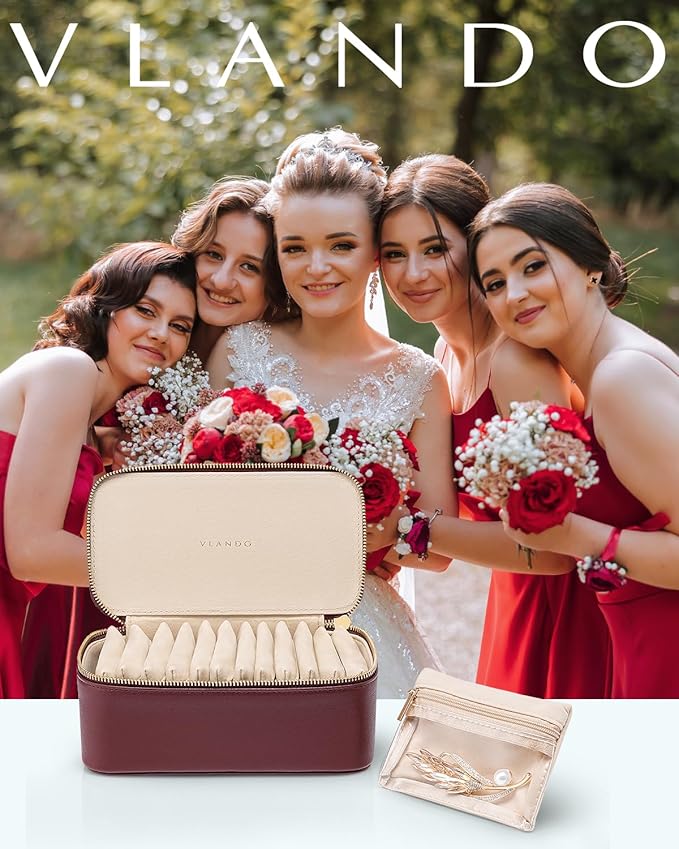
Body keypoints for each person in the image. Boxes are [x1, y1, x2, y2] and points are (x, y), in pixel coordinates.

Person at [207, 130, 457, 697]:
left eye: (341, 246)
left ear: (375, 252)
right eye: (295, 248)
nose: (316, 268)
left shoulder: (418, 379)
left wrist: (373, 535)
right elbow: (196, 497)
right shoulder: (239, 350)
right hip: (236, 620)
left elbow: (439, 548)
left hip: (359, 624)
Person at [22, 177, 281, 698]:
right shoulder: (88, 367)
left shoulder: (268, 372)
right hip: (68, 586)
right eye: (214, 255)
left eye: (250, 266)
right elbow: (33, 537)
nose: (222, 279)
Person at [376, 155, 611, 698]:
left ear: (477, 244)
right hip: (518, 594)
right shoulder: (444, 357)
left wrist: (404, 529)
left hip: (572, 607)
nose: (413, 274)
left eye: (435, 249)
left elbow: (554, 547)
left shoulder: (516, 360)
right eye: (394, 254)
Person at [467, 182, 679, 697]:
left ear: (590, 266)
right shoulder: (586, 375)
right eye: (494, 283)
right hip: (637, 639)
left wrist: (571, 536)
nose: (514, 294)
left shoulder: (622, 377)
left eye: (532, 266)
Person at [3, 242, 196, 698]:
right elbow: (31, 551)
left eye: (180, 326)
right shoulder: (67, 370)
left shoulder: (89, 429)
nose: (161, 334)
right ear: (105, 307)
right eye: (145, 310)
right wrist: (183, 573)